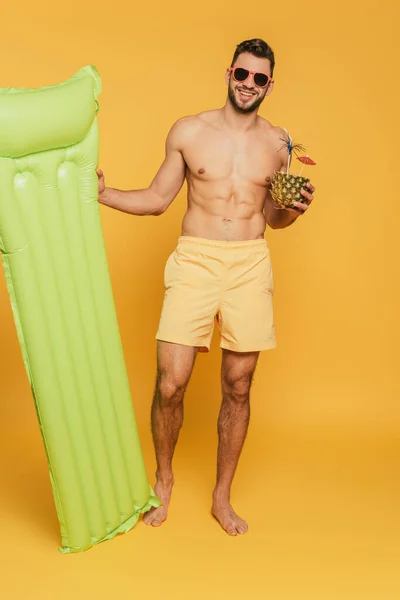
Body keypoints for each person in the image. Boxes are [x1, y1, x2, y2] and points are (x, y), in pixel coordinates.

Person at [97, 38, 316, 536]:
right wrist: (103, 193)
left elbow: (273, 218)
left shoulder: (279, 142)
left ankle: (221, 497)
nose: (249, 84)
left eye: (260, 78)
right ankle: (165, 479)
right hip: (195, 260)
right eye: (243, 73)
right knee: (170, 383)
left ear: (270, 85)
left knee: (238, 386)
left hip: (248, 264)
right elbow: (157, 199)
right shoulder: (189, 130)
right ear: (229, 73)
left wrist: (295, 210)